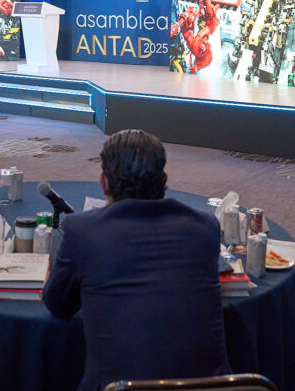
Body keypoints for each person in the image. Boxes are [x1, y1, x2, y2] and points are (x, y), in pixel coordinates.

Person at [43, 129, 231, 391]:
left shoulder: (81, 231)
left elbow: (58, 305)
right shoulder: (205, 226)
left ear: (104, 183)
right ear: (164, 180)